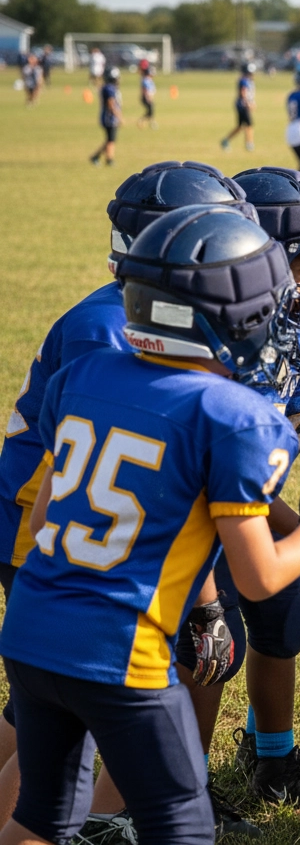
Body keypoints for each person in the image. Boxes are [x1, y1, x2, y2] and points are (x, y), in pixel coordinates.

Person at [0, 204, 300, 845]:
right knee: (182, 823)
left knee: (41, 815)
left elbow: (50, 515)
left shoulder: (85, 373)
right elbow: (260, 576)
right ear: (235, 319)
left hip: (30, 630)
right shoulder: (235, 415)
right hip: (120, 652)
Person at [0, 162, 262, 838]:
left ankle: (96, 815)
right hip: (56, 535)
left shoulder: (139, 317)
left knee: (52, 718)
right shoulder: (108, 329)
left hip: (85, 524)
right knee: (55, 719)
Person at [89, 67, 122, 166]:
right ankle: (109, 159)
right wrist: (118, 116)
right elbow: (110, 103)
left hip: (108, 117)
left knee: (110, 139)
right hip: (109, 118)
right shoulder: (109, 88)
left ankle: (96, 156)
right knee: (111, 140)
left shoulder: (108, 87)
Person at [221, 62, 256, 152]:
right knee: (249, 124)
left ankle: (226, 140)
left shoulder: (247, 80)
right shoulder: (244, 80)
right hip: (243, 105)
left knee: (240, 127)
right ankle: (249, 144)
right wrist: (248, 103)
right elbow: (243, 92)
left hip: (242, 105)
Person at [137, 60, 157, 129]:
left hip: (149, 97)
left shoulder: (149, 80)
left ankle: (150, 122)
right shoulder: (145, 80)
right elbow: (145, 90)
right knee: (150, 111)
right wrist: (148, 98)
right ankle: (144, 121)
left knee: (151, 111)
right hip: (146, 98)